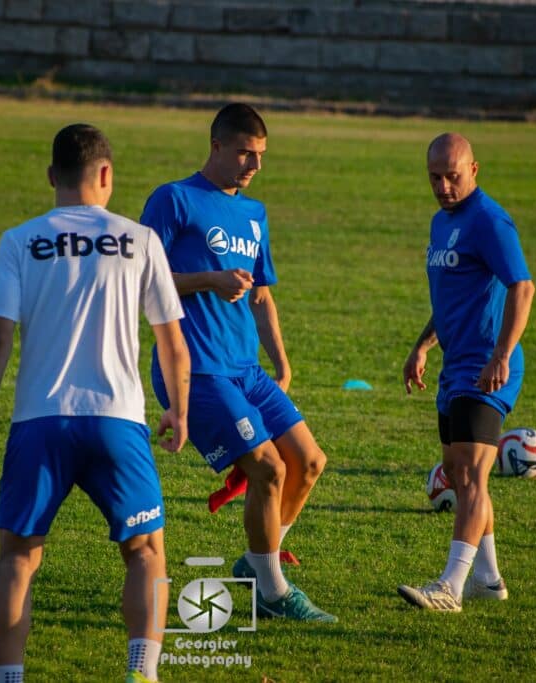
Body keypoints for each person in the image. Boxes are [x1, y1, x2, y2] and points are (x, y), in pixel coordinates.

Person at [0, 124, 190, 683]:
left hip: (40, 422)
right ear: (106, 175)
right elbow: (172, 342)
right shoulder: (140, 239)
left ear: (51, 177)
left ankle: (8, 678)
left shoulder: (20, 240)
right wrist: (179, 411)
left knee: (17, 556)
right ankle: (142, 673)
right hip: (117, 421)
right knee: (144, 551)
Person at [140, 103, 336, 623]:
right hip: (195, 370)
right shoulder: (174, 199)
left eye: (262, 155)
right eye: (247, 153)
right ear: (217, 146)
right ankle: (272, 591)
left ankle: (257, 564)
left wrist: (283, 364)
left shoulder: (254, 213)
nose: (255, 165)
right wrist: (209, 279)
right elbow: (139, 278)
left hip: (246, 370)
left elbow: (261, 295)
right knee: (269, 468)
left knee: (309, 462)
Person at [398, 133, 536, 612]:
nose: (442, 186)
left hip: (487, 368)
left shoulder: (490, 221)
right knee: (458, 473)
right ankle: (489, 579)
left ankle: (450, 588)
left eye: (452, 176)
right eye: (434, 177)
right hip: (454, 366)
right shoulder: (442, 223)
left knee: (474, 475)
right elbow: (450, 301)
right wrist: (421, 346)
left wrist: (502, 354)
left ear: (474, 170)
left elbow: (523, 287)